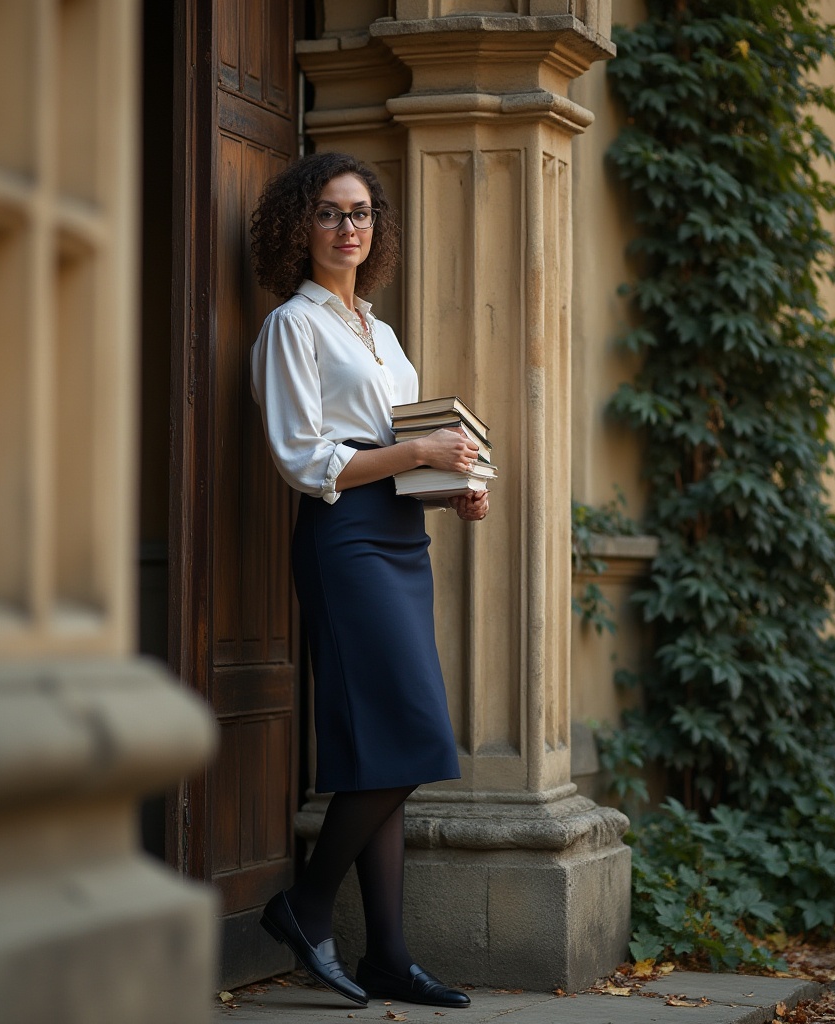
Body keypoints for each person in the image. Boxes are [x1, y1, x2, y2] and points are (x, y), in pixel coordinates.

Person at [249, 151, 489, 1009]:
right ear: (296, 226)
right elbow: (304, 457)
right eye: (328, 213)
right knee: (412, 736)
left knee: (388, 745)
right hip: (344, 539)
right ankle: (305, 905)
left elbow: (402, 447)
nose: (348, 228)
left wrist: (448, 486)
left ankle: (387, 954)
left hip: (399, 534)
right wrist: (417, 452)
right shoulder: (292, 326)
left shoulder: (379, 334)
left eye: (360, 214)